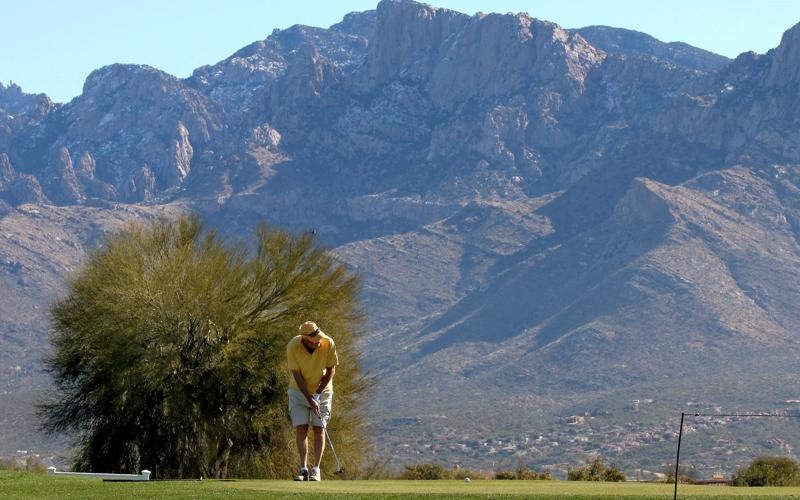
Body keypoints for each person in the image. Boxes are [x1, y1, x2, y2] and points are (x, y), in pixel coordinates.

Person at [286, 320, 338, 481]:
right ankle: (303, 469)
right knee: (301, 428)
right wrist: (309, 398)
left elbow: (331, 370)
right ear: (304, 339)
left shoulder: (327, 343)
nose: (318, 342)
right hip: (298, 391)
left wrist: (317, 394)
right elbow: (297, 375)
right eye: (314, 340)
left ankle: (316, 469)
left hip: (323, 390)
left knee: (319, 428)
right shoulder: (293, 346)